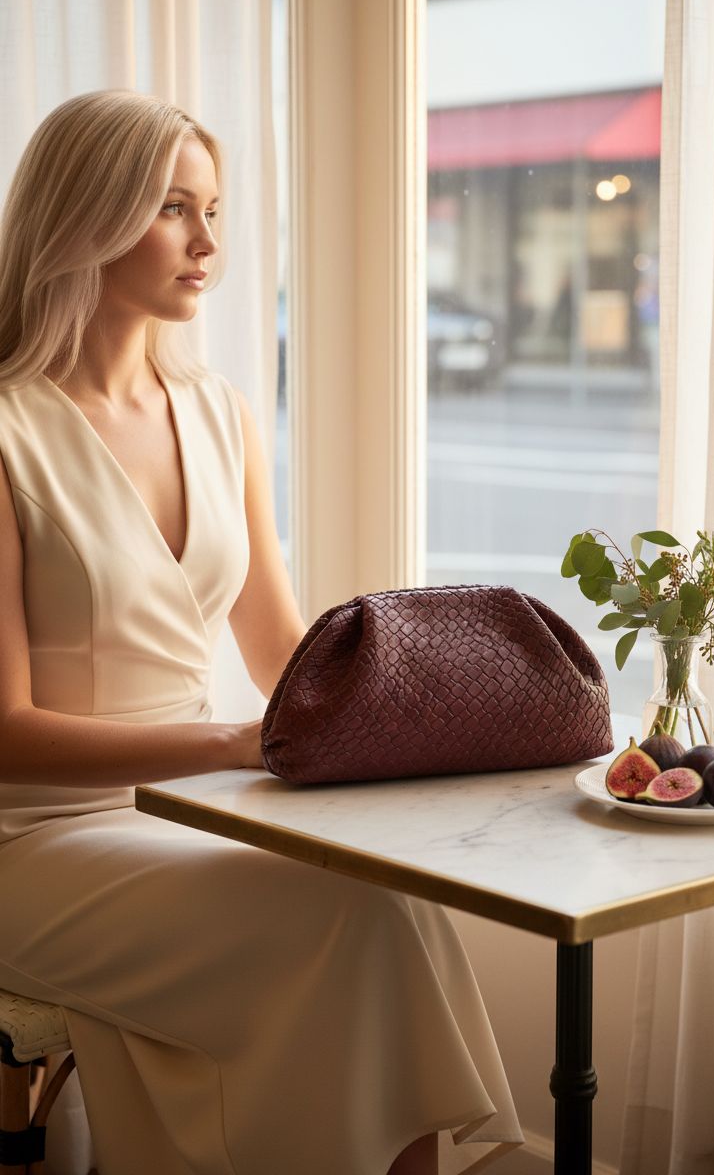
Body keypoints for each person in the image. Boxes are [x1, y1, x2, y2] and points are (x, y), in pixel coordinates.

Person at [0, 91, 523, 1175]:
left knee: (390, 896)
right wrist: (237, 746)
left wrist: (410, 721)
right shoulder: (9, 430)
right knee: (346, 924)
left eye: (215, 211)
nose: (208, 243)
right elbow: (6, 732)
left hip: (187, 807)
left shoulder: (220, 411)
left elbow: (279, 645)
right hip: (33, 838)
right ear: (85, 217)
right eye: (172, 209)